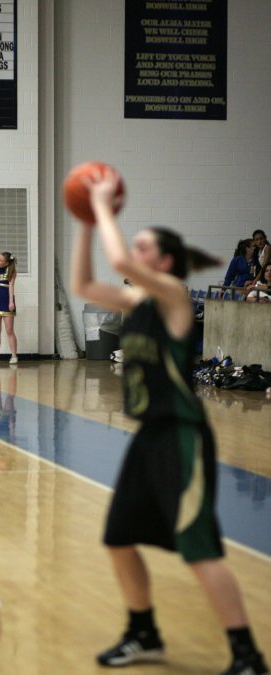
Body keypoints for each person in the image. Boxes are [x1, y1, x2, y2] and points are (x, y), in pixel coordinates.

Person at [69, 166, 269, 675]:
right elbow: (83, 281)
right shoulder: (135, 299)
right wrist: (85, 221)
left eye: (143, 248)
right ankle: (144, 633)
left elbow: (115, 259)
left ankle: (246, 654)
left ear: (164, 260)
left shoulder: (175, 297)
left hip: (181, 438)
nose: (132, 255)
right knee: (118, 538)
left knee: (199, 551)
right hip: (146, 440)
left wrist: (99, 207)